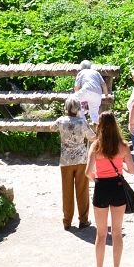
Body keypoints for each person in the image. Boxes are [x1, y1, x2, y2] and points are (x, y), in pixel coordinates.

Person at [85, 111, 134, 267]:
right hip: (118, 187)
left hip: (101, 188)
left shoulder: (96, 146)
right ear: (115, 125)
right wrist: (122, 168)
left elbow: (88, 173)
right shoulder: (123, 146)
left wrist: (98, 179)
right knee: (117, 233)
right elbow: (133, 170)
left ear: (99, 126)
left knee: (100, 234)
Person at [57, 96, 94, 231]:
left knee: (67, 191)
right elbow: (92, 137)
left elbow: (51, 127)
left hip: (65, 160)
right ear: (78, 108)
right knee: (82, 190)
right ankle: (83, 220)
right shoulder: (81, 122)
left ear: (66, 108)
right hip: (81, 160)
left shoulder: (61, 121)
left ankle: (67, 221)